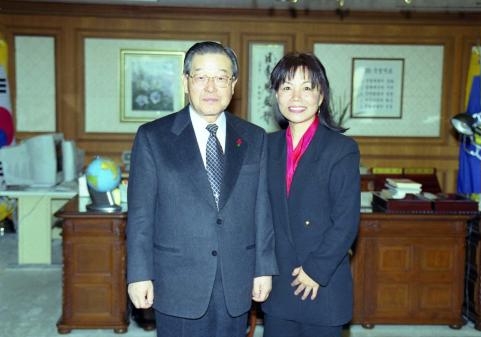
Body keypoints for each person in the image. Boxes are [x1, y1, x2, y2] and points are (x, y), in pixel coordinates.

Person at [126, 41, 278, 337]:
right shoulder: (153, 137)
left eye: (221, 77)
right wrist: (139, 275)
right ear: (186, 82)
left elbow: (262, 210)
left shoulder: (254, 138)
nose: (211, 87)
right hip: (176, 278)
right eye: (201, 77)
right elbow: (141, 216)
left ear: (233, 85)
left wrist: (264, 268)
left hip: (235, 277)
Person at [262, 53, 360, 337]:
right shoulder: (266, 146)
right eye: (286, 87)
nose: (296, 96)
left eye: (307, 87)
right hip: (279, 281)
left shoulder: (341, 149)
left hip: (322, 279)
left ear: (321, 96)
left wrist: (315, 270)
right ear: (277, 96)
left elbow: (346, 220)